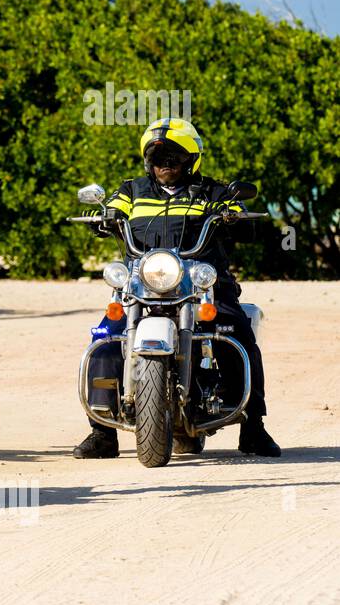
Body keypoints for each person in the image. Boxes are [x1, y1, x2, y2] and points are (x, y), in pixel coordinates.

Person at [76, 118, 281, 459]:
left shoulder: (214, 193)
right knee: (106, 338)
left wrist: (233, 216)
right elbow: (112, 209)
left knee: (239, 336)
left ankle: (253, 427)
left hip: (204, 286)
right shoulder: (131, 191)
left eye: (172, 157)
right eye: (157, 158)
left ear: (191, 159)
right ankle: (102, 433)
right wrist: (103, 217)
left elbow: (242, 219)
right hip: (143, 284)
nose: (164, 165)